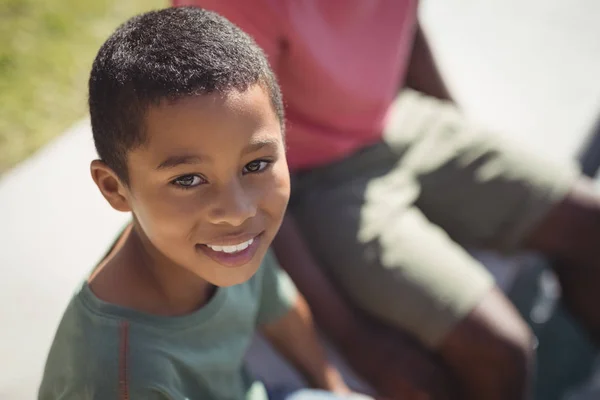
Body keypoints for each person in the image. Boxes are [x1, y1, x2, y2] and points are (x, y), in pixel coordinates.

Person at [174, 1, 600, 399]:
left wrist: (465, 151)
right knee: (501, 351)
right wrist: (353, 337)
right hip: (307, 178)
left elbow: (404, 28)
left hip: (396, 121)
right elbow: (236, 178)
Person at [38, 8, 372, 400]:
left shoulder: (224, 240)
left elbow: (277, 305)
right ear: (115, 188)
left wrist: (332, 386)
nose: (238, 210)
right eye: (188, 179)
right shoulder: (122, 379)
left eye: (256, 165)